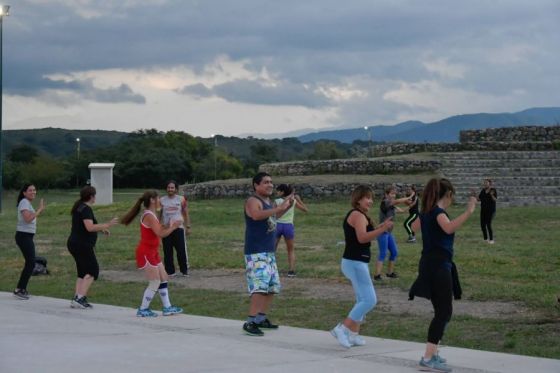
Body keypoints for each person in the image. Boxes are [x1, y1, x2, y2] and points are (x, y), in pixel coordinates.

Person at [409, 178, 476, 372]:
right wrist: (469, 211)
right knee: (444, 312)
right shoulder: (438, 213)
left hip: (429, 264)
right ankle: (428, 357)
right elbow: (448, 227)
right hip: (439, 266)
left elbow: (413, 228)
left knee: (442, 311)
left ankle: (433, 352)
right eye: (452, 196)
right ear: (448, 195)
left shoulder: (426, 213)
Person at [330, 185, 393, 348]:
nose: (371, 201)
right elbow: (362, 238)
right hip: (355, 262)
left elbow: (364, 234)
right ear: (358, 199)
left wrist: (381, 227)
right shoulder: (357, 215)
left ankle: (353, 334)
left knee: (361, 299)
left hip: (355, 262)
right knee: (370, 300)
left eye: (372, 198)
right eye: (367, 198)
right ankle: (342, 329)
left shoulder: (360, 215)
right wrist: (382, 230)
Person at [242, 172, 294, 336]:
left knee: (271, 287)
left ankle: (260, 318)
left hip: (268, 252)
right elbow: (256, 215)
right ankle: (250, 322)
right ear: (256, 185)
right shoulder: (253, 201)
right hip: (256, 251)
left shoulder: (267, 202)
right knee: (259, 286)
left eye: (271, 182)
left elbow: (272, 218)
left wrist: (287, 206)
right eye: (266, 182)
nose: (270, 185)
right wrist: (277, 208)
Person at [121, 191, 184, 317]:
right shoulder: (149, 215)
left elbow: (158, 229)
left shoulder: (152, 214)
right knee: (155, 281)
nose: (160, 200)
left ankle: (167, 307)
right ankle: (143, 309)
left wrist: (167, 225)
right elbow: (161, 234)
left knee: (163, 278)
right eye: (158, 198)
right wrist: (173, 227)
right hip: (146, 252)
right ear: (152, 200)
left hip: (153, 251)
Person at [67, 186, 119, 309]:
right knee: (92, 271)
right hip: (82, 245)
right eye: (94, 195)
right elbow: (89, 227)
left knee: (82, 272)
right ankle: (80, 298)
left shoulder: (79, 207)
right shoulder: (86, 209)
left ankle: (76, 298)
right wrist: (108, 224)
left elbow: (85, 226)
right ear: (91, 196)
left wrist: (102, 229)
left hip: (74, 243)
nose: (95, 198)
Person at [13, 184, 45, 300]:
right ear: (24, 193)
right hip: (23, 236)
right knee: (31, 262)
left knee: (30, 262)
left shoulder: (27, 203)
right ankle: (19, 289)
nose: (33, 192)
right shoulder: (24, 202)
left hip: (27, 236)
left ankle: (21, 288)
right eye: (30, 190)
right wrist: (39, 210)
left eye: (34, 190)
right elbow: (27, 219)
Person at [373, 186, 411, 280]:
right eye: (391, 193)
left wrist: (412, 205)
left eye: (394, 194)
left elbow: (402, 211)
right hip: (382, 232)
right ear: (386, 194)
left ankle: (390, 273)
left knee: (394, 252)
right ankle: (377, 275)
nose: (393, 195)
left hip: (389, 233)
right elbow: (398, 201)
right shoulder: (385, 202)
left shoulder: (392, 205)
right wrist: (409, 197)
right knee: (383, 253)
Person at [274, 184, 308, 277]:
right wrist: (299, 199)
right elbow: (305, 210)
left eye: (278, 191)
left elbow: (274, 214)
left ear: (282, 192)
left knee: (273, 249)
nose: (276, 192)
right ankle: (291, 271)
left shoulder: (277, 201)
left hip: (277, 225)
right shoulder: (293, 201)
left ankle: (271, 269)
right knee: (290, 250)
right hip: (288, 226)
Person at [159, 180, 191, 276]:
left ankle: (184, 271)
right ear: (166, 189)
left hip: (178, 228)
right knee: (167, 250)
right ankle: (170, 271)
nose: (170, 189)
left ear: (176, 189)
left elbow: (186, 213)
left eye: (172, 188)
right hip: (166, 229)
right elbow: (159, 214)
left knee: (181, 250)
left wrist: (188, 226)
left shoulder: (181, 199)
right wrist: (158, 226)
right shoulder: (162, 200)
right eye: (168, 187)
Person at [478, 179, 497, 244]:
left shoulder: (493, 190)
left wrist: (491, 195)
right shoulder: (483, 191)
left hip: (490, 210)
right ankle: (485, 239)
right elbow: (479, 199)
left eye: (486, 183)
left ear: (490, 184)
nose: (485, 184)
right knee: (482, 225)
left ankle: (491, 240)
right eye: (484, 183)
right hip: (483, 210)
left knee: (488, 224)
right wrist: (474, 194)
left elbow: (495, 200)